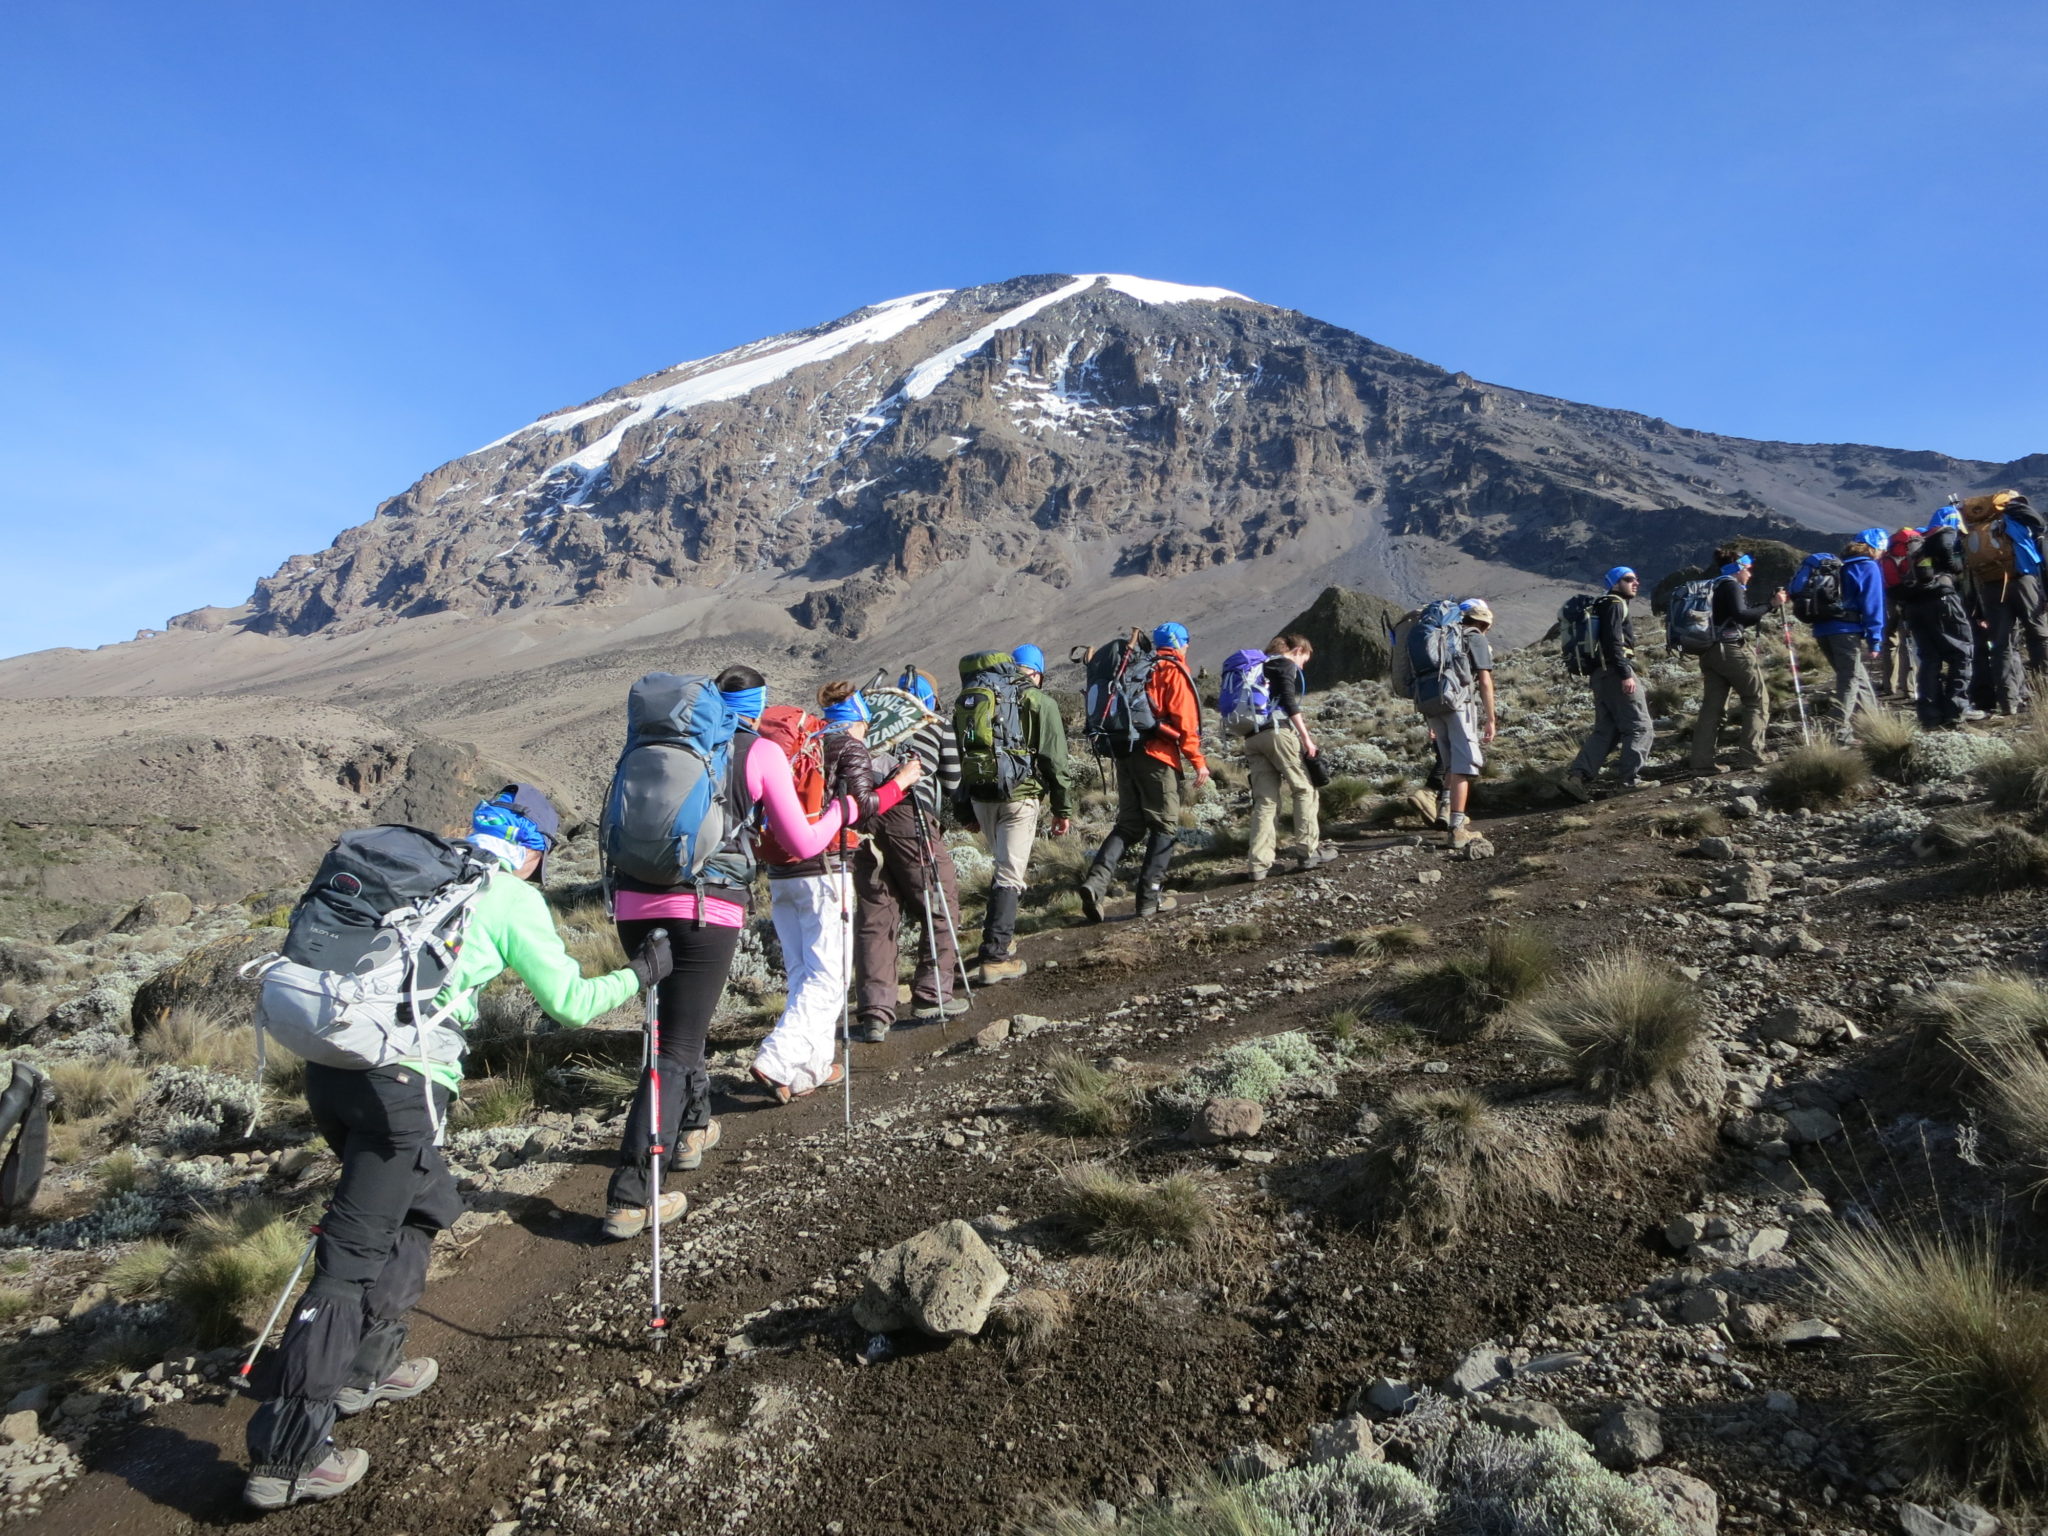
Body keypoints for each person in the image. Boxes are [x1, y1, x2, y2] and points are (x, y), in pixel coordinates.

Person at [245, 786, 664, 1510]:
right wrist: (640, 974)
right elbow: (569, 1003)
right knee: (347, 1259)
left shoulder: (422, 872)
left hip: (331, 1070)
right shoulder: (506, 897)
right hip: (399, 1085)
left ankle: (368, 1368)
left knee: (425, 1202)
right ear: (532, 850)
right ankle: (288, 1456)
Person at [601, 666, 913, 1233]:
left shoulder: (645, 748)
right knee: (673, 1047)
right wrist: (843, 812)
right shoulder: (758, 752)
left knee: (674, 1030)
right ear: (762, 704)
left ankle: (693, 1127)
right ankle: (632, 1192)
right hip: (705, 908)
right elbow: (800, 841)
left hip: (630, 907)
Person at [751, 681, 921, 1101]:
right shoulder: (849, 747)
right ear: (861, 719)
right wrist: (901, 782)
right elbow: (862, 808)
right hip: (824, 870)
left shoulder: (805, 744)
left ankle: (811, 1068)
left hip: (780, 872)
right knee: (828, 978)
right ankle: (775, 1058)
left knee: (803, 974)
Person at [853, 672, 967, 1042]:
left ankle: (875, 1011)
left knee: (876, 913)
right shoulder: (936, 726)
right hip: (911, 817)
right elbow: (952, 784)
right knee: (941, 902)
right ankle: (933, 993)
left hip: (865, 818)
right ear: (929, 699)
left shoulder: (865, 728)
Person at [957, 644, 1073, 982]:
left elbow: (958, 757)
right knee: (1010, 874)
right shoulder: (1038, 700)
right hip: (1019, 798)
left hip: (981, 797)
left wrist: (964, 808)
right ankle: (994, 956)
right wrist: (1062, 807)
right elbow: (1056, 760)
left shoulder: (972, 697)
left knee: (1002, 867)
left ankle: (998, 945)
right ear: (1035, 672)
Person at [1080, 623, 1211, 918]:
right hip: (1157, 757)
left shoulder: (1137, 668)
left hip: (1126, 754)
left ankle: (1095, 884)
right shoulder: (1172, 671)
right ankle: (1149, 898)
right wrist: (1198, 761)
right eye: (1186, 642)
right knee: (1165, 825)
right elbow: (1186, 723)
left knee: (1128, 825)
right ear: (1178, 643)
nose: (1187, 647)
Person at [1242, 632, 1333, 880]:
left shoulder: (1257, 667)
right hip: (1277, 732)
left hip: (1252, 737)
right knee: (1304, 788)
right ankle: (1308, 852)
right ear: (1297, 651)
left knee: (1265, 800)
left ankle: (1258, 865)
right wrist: (1306, 738)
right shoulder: (1284, 664)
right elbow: (1290, 703)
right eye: (1304, 658)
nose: (1302, 665)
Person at [1687, 551, 1787, 774]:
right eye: (1747, 568)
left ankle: (1701, 762)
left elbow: (1737, 616)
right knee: (1756, 699)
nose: (1750, 573)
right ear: (1737, 567)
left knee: (1712, 707)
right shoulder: (1730, 585)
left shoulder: (1713, 586)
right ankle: (1752, 755)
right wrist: (1771, 605)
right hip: (1730, 650)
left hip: (1709, 652)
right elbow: (1742, 615)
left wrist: (1762, 606)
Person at [1560, 567, 1654, 799]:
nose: (1636, 583)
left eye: (1636, 578)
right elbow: (1613, 641)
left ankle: (1577, 777)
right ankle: (1629, 781)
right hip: (1614, 672)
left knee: (1607, 730)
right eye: (1628, 579)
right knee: (1640, 726)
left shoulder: (1601, 604)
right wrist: (1625, 674)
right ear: (1615, 583)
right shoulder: (1614, 603)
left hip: (1599, 675)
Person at [1899, 506, 1981, 730]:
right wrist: (1956, 566)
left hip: (1915, 606)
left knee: (1929, 659)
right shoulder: (1945, 534)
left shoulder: (1917, 543)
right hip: (1942, 602)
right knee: (1961, 653)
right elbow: (1950, 561)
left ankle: (1929, 715)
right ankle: (1956, 710)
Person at [1798, 536, 1885, 739]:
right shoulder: (1867, 567)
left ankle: (1874, 725)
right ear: (1874, 548)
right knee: (1850, 680)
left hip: (1822, 630)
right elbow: (1873, 605)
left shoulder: (1841, 565)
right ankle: (1838, 731)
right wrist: (1875, 638)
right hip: (1845, 631)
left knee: (1858, 677)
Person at [1970, 493, 2048, 714]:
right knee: (2039, 637)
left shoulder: (1979, 528)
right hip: (2023, 581)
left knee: (2001, 644)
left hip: (1991, 586)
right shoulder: (2015, 518)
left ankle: (2008, 702)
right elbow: (2040, 525)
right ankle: (2044, 695)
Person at [1431, 600, 1497, 852]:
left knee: (1449, 761)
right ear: (1482, 622)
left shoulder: (1443, 636)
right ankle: (1457, 829)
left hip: (1433, 703)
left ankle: (1444, 810)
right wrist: (1490, 718)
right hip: (1459, 703)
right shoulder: (1474, 637)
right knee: (1463, 764)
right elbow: (1485, 681)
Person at [1878, 528, 1920, 700]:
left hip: (1889, 600)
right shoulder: (1914, 549)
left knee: (1890, 642)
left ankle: (1889, 685)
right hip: (1907, 600)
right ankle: (1909, 687)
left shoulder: (1888, 554)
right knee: (1907, 643)